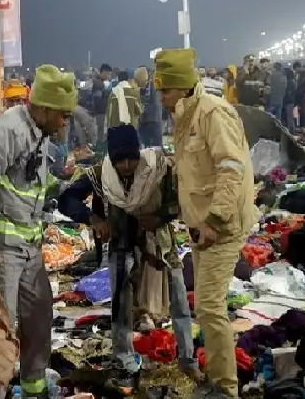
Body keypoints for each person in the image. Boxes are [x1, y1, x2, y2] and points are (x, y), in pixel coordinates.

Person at [0, 64, 76, 399]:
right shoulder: (8, 131)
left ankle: (33, 388)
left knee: (39, 321)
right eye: (62, 115)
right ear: (43, 107)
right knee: (0, 331)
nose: (65, 122)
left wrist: (67, 183)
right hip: (2, 252)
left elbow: (27, 189)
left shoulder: (39, 135)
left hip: (29, 246)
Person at [57, 125, 201, 391]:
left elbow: (181, 199)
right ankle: (125, 361)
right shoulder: (102, 174)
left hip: (159, 244)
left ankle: (187, 359)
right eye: (119, 159)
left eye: (131, 158)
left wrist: (159, 217)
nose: (126, 165)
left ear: (139, 153)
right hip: (121, 246)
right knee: (120, 308)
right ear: (110, 158)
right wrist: (93, 218)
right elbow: (66, 200)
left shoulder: (158, 168)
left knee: (179, 300)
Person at [153, 48, 257, 399]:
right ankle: (216, 378)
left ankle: (226, 390)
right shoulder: (184, 117)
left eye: (165, 89)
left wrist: (214, 219)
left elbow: (232, 168)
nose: (161, 96)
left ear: (182, 88)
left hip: (222, 225)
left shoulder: (213, 112)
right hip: (201, 227)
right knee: (207, 306)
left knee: (210, 306)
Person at [137, 66, 163, 148]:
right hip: (144, 121)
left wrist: (142, 110)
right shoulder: (141, 87)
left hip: (153, 120)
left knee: (155, 148)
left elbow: (156, 104)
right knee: (146, 148)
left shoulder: (153, 86)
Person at [92, 63, 113, 144]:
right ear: (104, 72)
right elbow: (98, 100)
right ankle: (99, 152)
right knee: (100, 134)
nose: (109, 76)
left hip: (100, 112)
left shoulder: (99, 82)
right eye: (109, 74)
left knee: (100, 134)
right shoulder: (99, 84)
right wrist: (107, 96)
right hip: (100, 113)